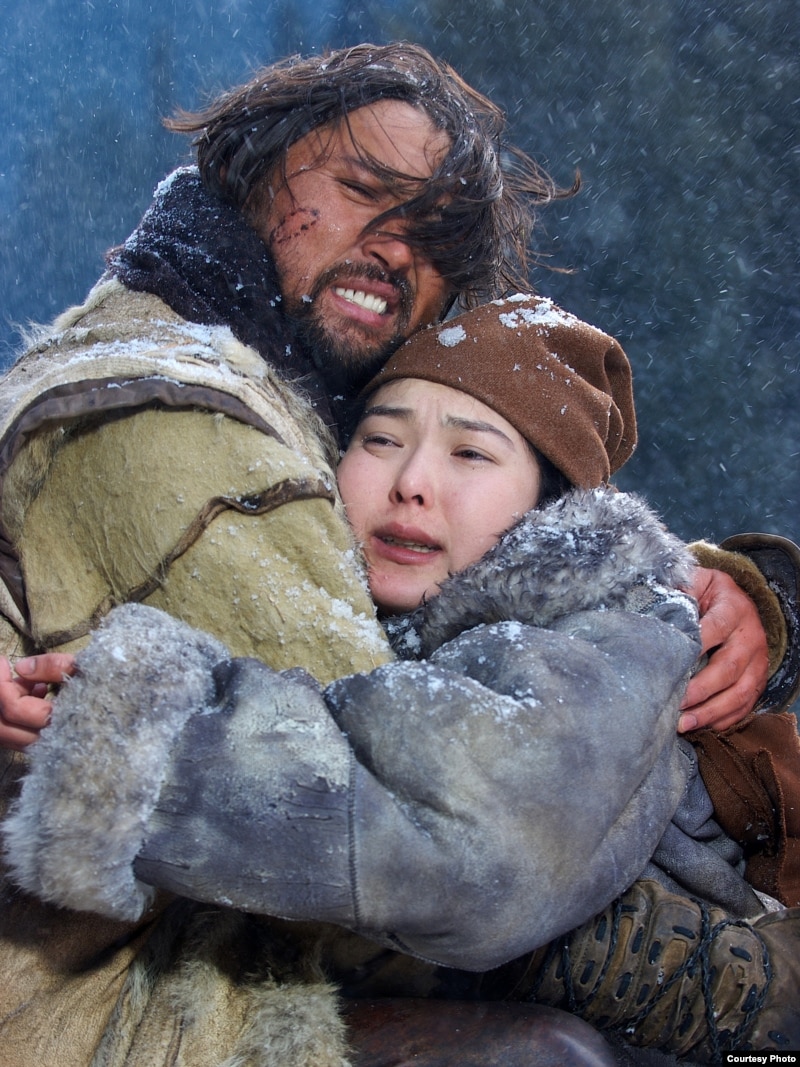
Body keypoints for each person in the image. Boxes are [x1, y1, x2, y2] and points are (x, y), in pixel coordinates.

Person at [0, 41, 796, 1064]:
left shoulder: (285, 382)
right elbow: (401, 817)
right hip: (120, 1013)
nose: (393, 248)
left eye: (434, 234)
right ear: (250, 169)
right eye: (362, 190)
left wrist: (733, 597)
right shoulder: (184, 418)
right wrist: (749, 981)